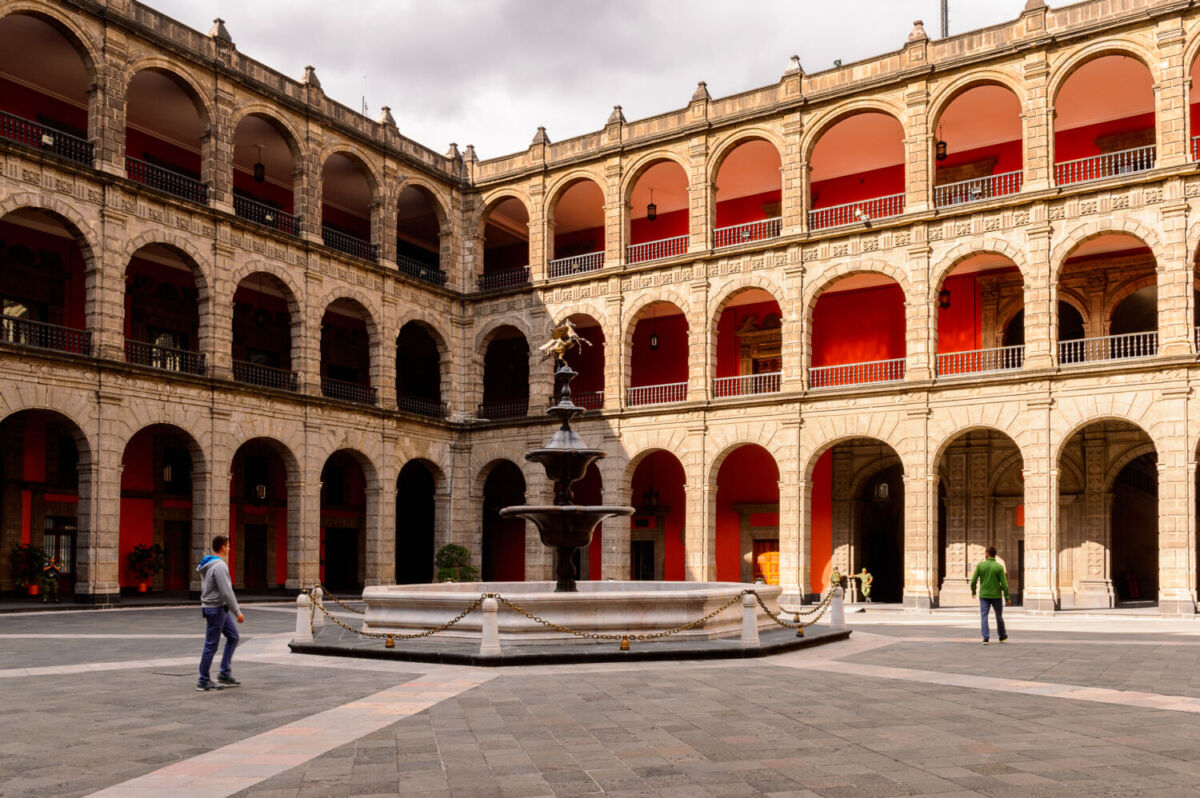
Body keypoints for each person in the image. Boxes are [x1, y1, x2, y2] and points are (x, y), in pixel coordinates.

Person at [196, 535, 244, 691]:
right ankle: (203, 680)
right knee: (211, 645)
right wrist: (237, 612)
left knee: (233, 636)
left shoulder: (208, 563)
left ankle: (224, 673)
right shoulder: (220, 566)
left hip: (218, 608)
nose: (229, 548)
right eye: (228, 545)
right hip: (216, 609)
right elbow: (226, 591)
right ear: (223, 547)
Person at [970, 545, 1009, 645]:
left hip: (984, 595)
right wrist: (1007, 597)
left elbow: (973, 581)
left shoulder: (980, 566)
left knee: (984, 616)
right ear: (995, 554)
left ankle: (985, 638)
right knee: (999, 616)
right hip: (996, 596)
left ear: (987, 554)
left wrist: (973, 591)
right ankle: (1002, 636)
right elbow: (1004, 584)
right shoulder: (999, 567)